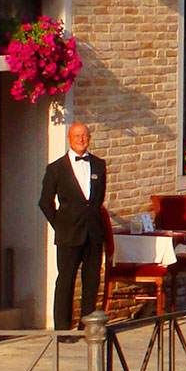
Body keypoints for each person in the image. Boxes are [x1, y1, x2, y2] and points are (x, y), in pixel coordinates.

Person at [39, 122, 108, 330]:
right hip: (68, 234)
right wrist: (60, 225)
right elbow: (45, 202)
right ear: (69, 139)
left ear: (89, 138)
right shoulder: (56, 168)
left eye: (84, 136)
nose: (81, 139)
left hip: (93, 233)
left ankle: (87, 326)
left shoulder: (99, 165)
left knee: (91, 280)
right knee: (66, 280)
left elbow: (98, 199)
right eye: (77, 136)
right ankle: (62, 329)